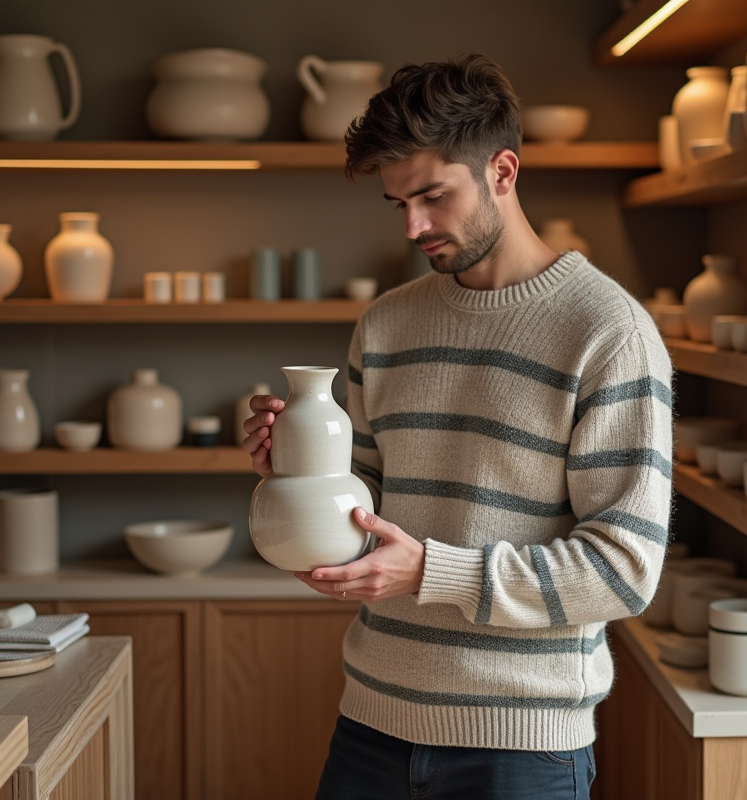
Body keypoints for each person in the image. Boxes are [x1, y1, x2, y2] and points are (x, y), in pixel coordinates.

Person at [241, 53, 673, 800]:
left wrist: (430, 573)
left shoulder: (609, 332)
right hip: (372, 720)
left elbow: (623, 571)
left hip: (522, 748)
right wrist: (300, 471)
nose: (414, 226)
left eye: (433, 196)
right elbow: (368, 510)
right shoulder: (385, 325)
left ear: (502, 171)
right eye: (398, 204)